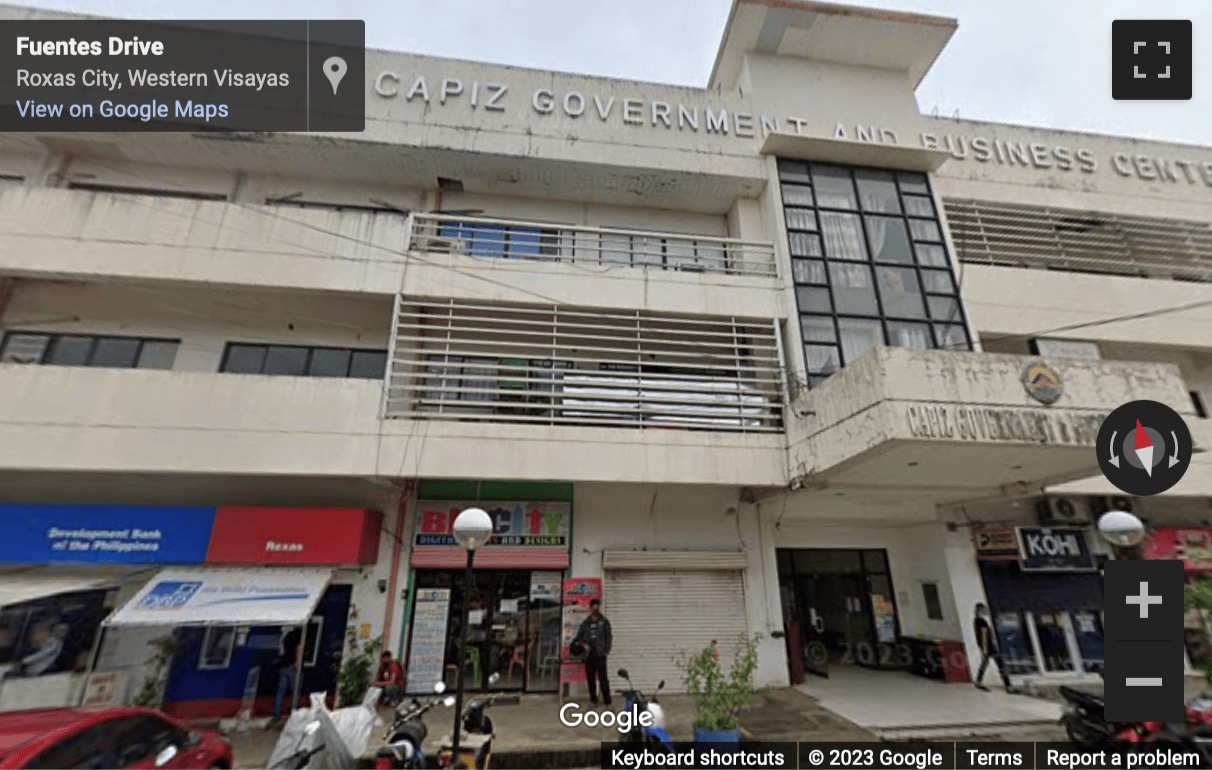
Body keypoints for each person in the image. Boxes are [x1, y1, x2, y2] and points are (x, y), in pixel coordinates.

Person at [573, 598, 612, 707]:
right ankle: (593, 700)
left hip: (600, 654)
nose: (595, 608)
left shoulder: (604, 622)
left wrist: (606, 651)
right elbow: (578, 638)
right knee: (591, 679)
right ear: (590, 608)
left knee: (603, 679)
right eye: (593, 606)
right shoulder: (585, 623)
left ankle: (608, 702)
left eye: (597, 606)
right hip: (589, 655)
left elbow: (608, 637)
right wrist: (583, 645)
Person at [973, 603, 1013, 692]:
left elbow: (979, 636)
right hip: (989, 647)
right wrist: (985, 649)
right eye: (983, 610)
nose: (985, 611)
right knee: (1001, 664)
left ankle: (978, 681)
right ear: (979, 610)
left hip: (986, 647)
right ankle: (1008, 686)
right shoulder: (982, 622)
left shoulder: (976, 621)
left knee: (984, 664)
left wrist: (983, 649)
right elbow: (984, 635)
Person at [270, 625, 304, 727]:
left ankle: (276, 716)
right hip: (293, 668)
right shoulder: (300, 636)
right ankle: (294, 716)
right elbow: (299, 648)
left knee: (280, 692)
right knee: (295, 694)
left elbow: (284, 650)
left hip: (284, 666)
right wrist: (297, 663)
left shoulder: (287, 636)